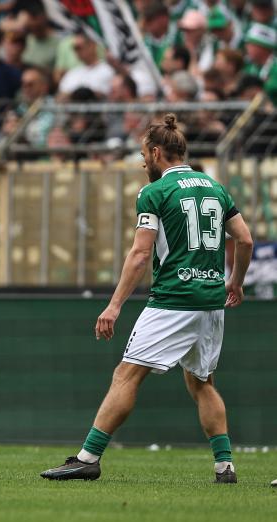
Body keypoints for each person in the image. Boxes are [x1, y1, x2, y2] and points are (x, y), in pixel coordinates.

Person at [40, 114, 253, 483]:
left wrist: (114, 305)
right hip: (211, 300)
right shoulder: (216, 188)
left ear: (157, 152)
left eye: (144, 154)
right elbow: (245, 239)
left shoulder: (154, 193)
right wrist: (235, 282)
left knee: (126, 374)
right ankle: (224, 465)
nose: (143, 162)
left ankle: (88, 458)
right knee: (202, 382)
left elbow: (140, 254)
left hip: (173, 299)